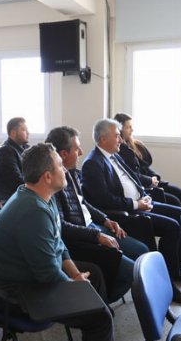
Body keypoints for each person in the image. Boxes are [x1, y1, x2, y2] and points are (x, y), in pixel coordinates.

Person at [0, 143, 150, 341]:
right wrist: (73, 286)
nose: (65, 168)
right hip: (21, 292)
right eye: (59, 166)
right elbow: (47, 275)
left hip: (36, 278)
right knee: (99, 319)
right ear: (47, 176)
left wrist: (75, 276)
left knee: (93, 275)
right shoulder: (32, 211)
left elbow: (58, 244)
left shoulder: (43, 197)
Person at [81, 119, 181, 306]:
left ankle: (176, 270)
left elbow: (133, 178)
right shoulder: (92, 164)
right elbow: (103, 200)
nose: (120, 139)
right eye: (116, 136)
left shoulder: (115, 155)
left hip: (140, 203)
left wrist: (144, 195)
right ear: (102, 139)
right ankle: (167, 283)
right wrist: (136, 204)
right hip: (126, 213)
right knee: (172, 227)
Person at [46, 126, 149, 303]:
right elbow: (61, 227)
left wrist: (105, 219)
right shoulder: (54, 183)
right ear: (63, 154)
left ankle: (103, 296)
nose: (81, 152)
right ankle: (101, 301)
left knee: (142, 251)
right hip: (83, 237)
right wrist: (96, 235)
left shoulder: (72, 173)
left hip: (95, 227)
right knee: (134, 272)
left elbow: (83, 203)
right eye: (77, 149)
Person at [114, 113, 181, 207]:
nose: (132, 130)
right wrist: (149, 180)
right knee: (174, 201)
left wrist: (155, 177)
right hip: (142, 185)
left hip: (149, 181)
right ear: (120, 130)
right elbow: (132, 174)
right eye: (129, 127)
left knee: (179, 192)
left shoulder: (135, 144)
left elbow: (146, 166)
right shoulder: (120, 150)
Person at [0, 117, 29, 202]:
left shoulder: (25, 148)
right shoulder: (5, 152)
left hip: (24, 192)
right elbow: (16, 181)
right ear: (13, 133)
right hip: (12, 197)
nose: (28, 132)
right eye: (24, 130)